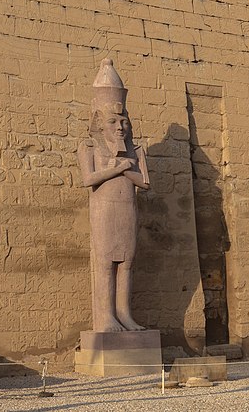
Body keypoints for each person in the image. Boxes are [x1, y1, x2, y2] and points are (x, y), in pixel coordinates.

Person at [78, 59, 150, 332]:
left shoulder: (136, 150)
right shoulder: (89, 146)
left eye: (124, 121)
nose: (120, 127)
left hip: (127, 208)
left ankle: (124, 314)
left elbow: (144, 183)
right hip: (104, 209)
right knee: (106, 262)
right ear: (99, 122)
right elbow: (89, 179)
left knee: (127, 262)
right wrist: (119, 168)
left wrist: (123, 169)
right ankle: (106, 316)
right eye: (113, 121)